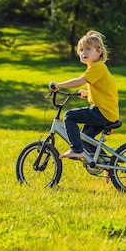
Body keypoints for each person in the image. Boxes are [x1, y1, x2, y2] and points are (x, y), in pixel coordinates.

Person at [49, 30, 119, 160]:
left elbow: (80, 81)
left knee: (69, 116)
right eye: (81, 50)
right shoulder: (98, 67)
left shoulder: (96, 67)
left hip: (102, 112)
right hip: (107, 112)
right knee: (86, 139)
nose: (84, 52)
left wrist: (58, 85)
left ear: (99, 51)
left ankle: (76, 150)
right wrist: (87, 93)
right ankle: (108, 165)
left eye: (88, 49)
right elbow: (104, 90)